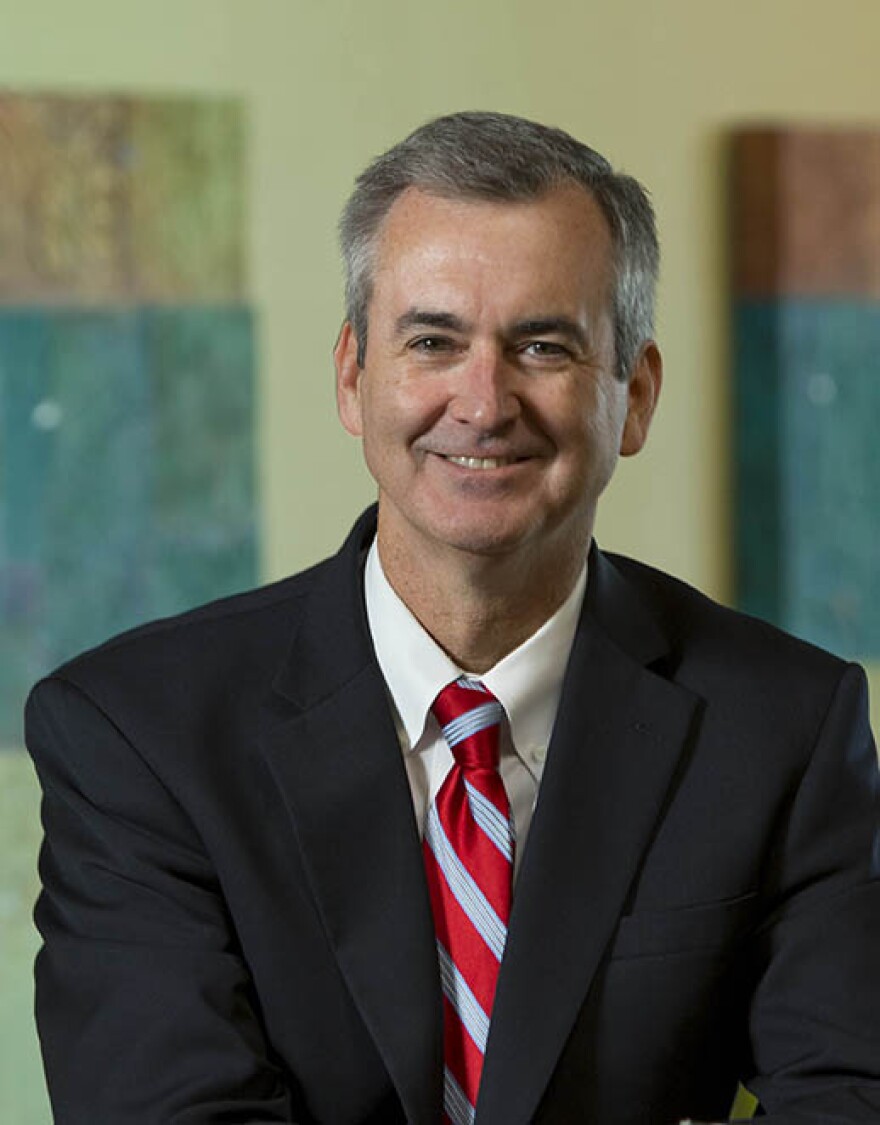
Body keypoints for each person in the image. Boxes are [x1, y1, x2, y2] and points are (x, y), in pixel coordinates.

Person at [25, 111, 880, 1125]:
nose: (482, 402)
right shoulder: (140, 734)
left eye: (543, 345)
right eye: (433, 340)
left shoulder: (785, 725)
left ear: (634, 395)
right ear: (352, 377)